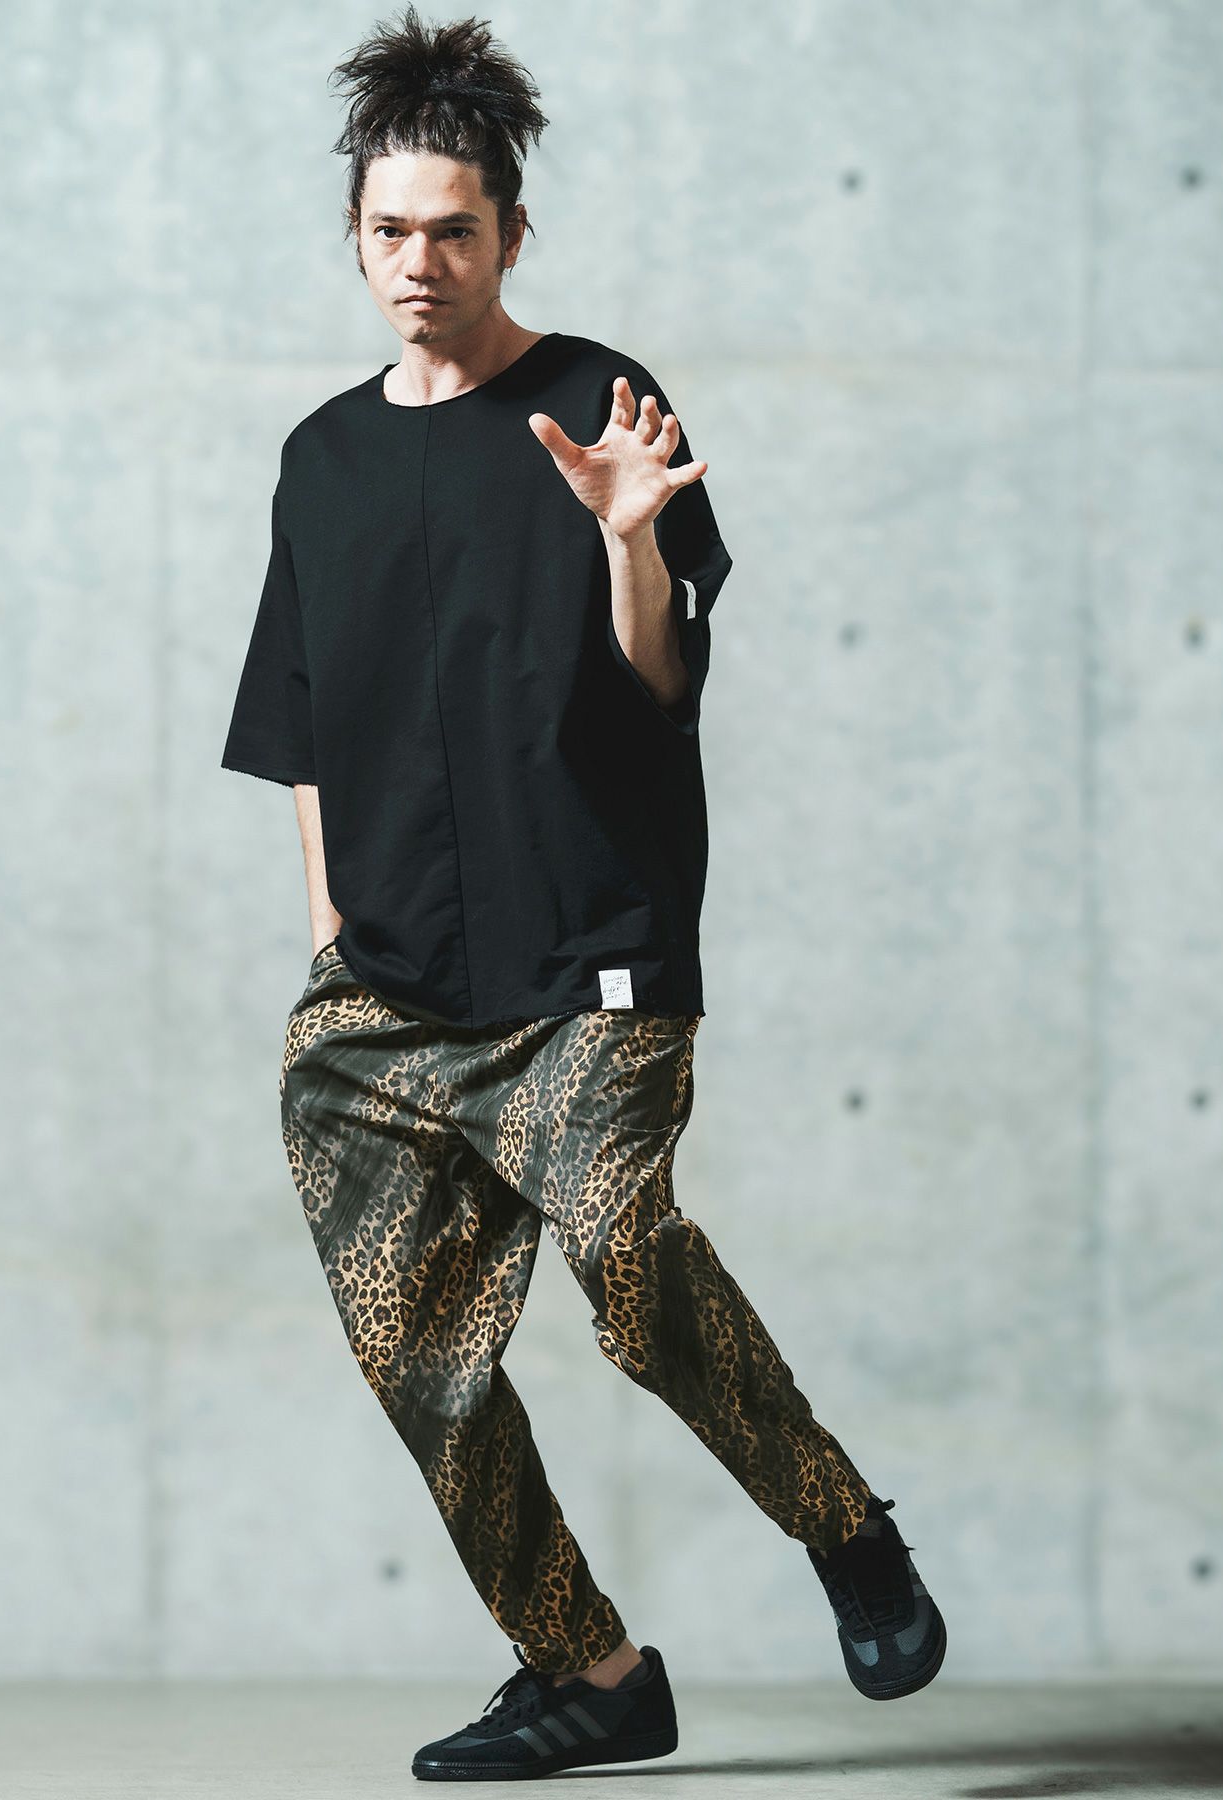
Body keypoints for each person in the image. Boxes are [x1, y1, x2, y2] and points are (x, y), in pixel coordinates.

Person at [220, 6, 945, 1781]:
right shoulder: (320, 460)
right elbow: (305, 732)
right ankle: (593, 1674)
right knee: (421, 1360)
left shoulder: (601, 400)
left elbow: (662, 680)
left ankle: (844, 1527)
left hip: (585, 960)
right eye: (390, 231)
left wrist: (629, 535)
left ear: (512, 234)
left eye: (454, 230)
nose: (420, 263)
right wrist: (330, 939)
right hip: (385, 990)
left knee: (626, 1258)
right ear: (354, 238)